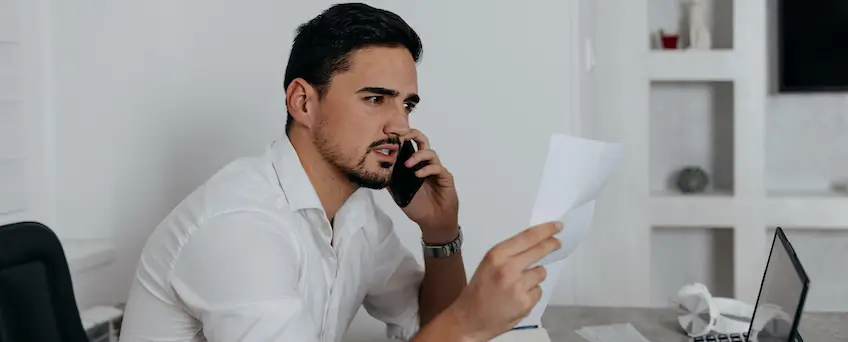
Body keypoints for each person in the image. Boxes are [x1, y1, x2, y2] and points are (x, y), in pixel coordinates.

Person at [119, 3, 562, 342]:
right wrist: (470, 321)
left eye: (406, 104)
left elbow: (430, 325)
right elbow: (453, 329)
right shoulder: (239, 227)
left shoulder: (357, 216)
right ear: (303, 103)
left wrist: (440, 232)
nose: (401, 126)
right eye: (375, 99)